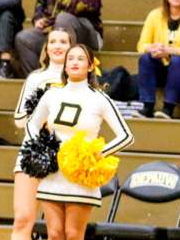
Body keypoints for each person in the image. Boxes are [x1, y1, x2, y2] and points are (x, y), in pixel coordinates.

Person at [25, 44, 133, 240]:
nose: (75, 62)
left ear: (91, 66)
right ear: (64, 66)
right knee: (55, 234)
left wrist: (96, 155)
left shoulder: (99, 99)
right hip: (53, 174)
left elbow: (126, 136)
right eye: (71, 59)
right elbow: (32, 125)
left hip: (81, 178)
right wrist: (40, 147)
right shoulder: (51, 94)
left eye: (81, 59)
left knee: (74, 234)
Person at [10, 28, 73, 240]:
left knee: (57, 232)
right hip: (33, 152)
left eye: (63, 42)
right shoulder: (36, 78)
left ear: (72, 47)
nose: (57, 46)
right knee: (22, 220)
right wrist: (40, 112)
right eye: (53, 41)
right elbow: (19, 120)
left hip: (65, 156)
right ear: (46, 48)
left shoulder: (81, 81)